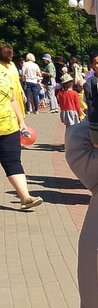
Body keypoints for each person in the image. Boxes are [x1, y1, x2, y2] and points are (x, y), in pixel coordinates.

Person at [0, 67, 43, 210]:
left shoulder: (4, 73)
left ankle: (25, 197)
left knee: (13, 162)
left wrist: (21, 121)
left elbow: (12, 100)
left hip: (9, 128)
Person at [0, 45, 26, 117]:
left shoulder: (12, 64)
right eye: (10, 54)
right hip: (8, 95)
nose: (12, 55)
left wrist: (22, 92)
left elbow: (17, 80)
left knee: (19, 114)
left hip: (17, 93)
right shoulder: (1, 66)